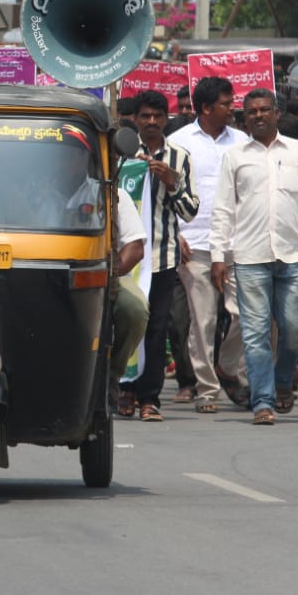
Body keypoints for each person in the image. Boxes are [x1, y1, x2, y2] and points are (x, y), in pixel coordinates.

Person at [210, 87, 298, 425]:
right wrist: (218, 254)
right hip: (250, 257)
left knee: (296, 328)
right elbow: (222, 209)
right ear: (244, 117)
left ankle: (282, 380)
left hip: (293, 255)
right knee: (255, 332)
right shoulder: (235, 156)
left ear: (277, 114)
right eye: (252, 112)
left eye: (265, 110)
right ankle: (262, 401)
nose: (259, 116)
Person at [168, 77, 252, 412]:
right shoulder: (178, 142)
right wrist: (176, 234)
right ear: (206, 108)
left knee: (243, 314)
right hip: (196, 245)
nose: (233, 109)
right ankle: (207, 389)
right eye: (226, 103)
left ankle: (228, 368)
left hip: (238, 243)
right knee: (202, 321)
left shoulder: (243, 142)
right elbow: (167, 193)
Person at [116, 91, 198, 422]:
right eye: (145, 116)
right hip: (126, 257)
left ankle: (150, 398)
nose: (151, 122)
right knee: (125, 322)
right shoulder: (122, 154)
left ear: (166, 119)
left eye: (158, 116)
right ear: (135, 119)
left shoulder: (179, 157)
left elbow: (190, 210)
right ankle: (124, 390)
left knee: (157, 327)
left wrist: (171, 182)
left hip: (162, 257)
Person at [111, 187, 149, 384]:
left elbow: (135, 248)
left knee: (134, 309)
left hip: (105, 274)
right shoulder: (36, 190)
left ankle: (112, 375)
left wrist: (110, 276)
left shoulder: (114, 194)